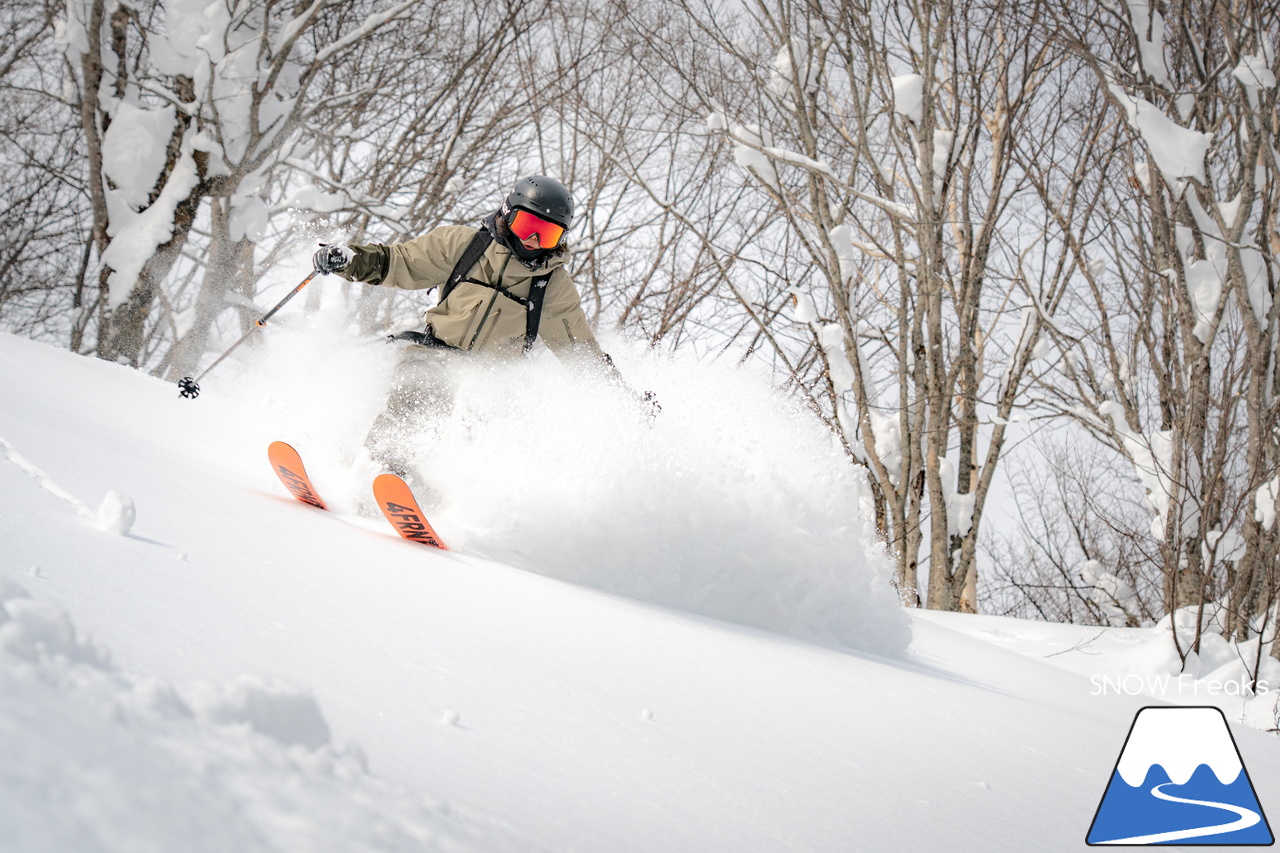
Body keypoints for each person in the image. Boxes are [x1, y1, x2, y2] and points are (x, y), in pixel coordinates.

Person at [312, 175, 655, 481]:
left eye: (547, 234)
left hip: (491, 380)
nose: (534, 241)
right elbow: (399, 262)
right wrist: (351, 260)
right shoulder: (463, 244)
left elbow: (579, 351)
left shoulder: (553, 287)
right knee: (421, 392)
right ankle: (377, 471)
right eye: (527, 227)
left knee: (480, 431)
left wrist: (623, 403)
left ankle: (447, 500)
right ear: (508, 214)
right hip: (436, 352)